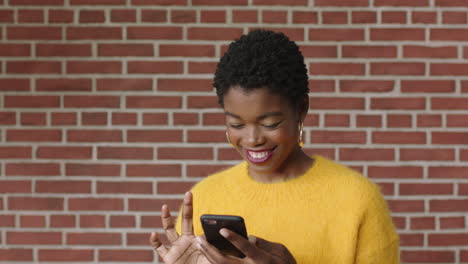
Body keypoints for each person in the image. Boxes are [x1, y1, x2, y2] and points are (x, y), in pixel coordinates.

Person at [150, 29, 400, 264]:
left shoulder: (357, 200)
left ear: (301, 109)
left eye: (270, 123)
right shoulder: (204, 198)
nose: (252, 139)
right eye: (236, 124)